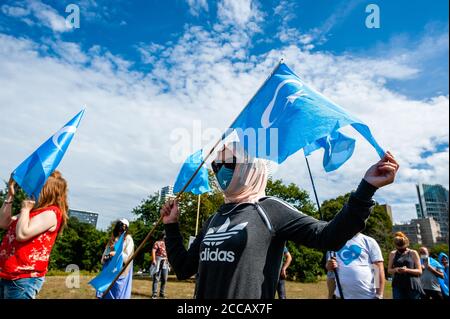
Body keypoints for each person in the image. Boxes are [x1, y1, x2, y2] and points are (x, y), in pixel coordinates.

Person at [160, 143, 399, 299]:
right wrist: (171, 226)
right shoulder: (215, 217)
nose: (221, 170)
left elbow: (329, 237)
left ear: (250, 167)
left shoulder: (270, 209)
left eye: (229, 163)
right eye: (216, 165)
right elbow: (183, 268)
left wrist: (366, 188)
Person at [0, 172, 68, 299]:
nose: (32, 188)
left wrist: (25, 209)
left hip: (23, 279)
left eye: (38, 186)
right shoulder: (34, 212)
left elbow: (22, 234)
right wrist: (10, 195)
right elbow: (3, 223)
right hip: (8, 274)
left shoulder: (52, 213)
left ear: (47, 190)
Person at [325, 233, 385, 299]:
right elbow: (330, 271)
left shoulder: (369, 241)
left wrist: (379, 295)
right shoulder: (334, 243)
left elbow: (377, 269)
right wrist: (328, 266)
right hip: (340, 296)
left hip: (367, 296)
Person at [99, 218, 134, 299]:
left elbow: (127, 255)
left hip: (121, 267)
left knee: (118, 290)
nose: (121, 227)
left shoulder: (128, 239)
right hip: (110, 265)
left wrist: (116, 254)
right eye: (120, 225)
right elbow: (106, 251)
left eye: (123, 226)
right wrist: (106, 256)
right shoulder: (113, 238)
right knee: (107, 287)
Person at [388, 232, 423, 299]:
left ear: (406, 244)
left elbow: (419, 271)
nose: (401, 249)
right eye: (399, 247)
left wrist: (407, 270)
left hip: (412, 285)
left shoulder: (413, 253)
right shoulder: (392, 253)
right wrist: (396, 270)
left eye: (403, 247)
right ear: (395, 245)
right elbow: (389, 270)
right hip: (397, 285)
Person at [151, 232, 169, 299]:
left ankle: (162, 293)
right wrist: (154, 260)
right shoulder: (157, 243)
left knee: (164, 278)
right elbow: (153, 250)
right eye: (165, 236)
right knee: (156, 278)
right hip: (158, 261)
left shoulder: (167, 243)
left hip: (165, 261)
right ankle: (154, 293)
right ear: (163, 236)